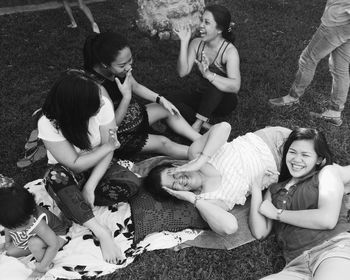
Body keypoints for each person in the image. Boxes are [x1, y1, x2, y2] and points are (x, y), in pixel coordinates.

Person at [37, 69, 141, 263]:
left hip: (99, 166)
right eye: (96, 100)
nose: (103, 101)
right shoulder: (48, 123)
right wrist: (108, 146)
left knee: (131, 183)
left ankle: (74, 204)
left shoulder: (103, 105)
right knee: (55, 178)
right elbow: (74, 164)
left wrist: (91, 186)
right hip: (67, 171)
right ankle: (100, 231)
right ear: (79, 108)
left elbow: (109, 150)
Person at [144, 122, 291, 235]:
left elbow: (224, 127)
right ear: (175, 193)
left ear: (176, 165)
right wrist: (192, 199)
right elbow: (230, 227)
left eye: (172, 173)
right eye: (174, 185)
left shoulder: (196, 154)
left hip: (273, 140)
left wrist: (200, 161)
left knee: (311, 148)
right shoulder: (209, 200)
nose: (179, 179)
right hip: (284, 170)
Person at [249, 127, 350, 279]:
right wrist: (256, 188)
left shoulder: (327, 174)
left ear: (319, 159)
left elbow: (326, 220)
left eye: (305, 155)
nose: (296, 159)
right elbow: (260, 232)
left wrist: (277, 214)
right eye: (292, 152)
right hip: (296, 266)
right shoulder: (275, 189)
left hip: (333, 249)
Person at [83, 31, 201, 159]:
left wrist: (160, 99)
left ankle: (202, 140)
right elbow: (112, 125)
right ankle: (205, 156)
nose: (129, 67)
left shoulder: (117, 68)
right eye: (123, 65)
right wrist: (126, 98)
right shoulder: (95, 88)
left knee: (167, 109)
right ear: (104, 65)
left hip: (133, 115)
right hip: (118, 135)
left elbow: (135, 85)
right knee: (163, 142)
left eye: (130, 60)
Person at [269, 1, 350, 126]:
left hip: (338, 20)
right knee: (340, 68)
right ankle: (334, 112)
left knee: (308, 59)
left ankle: (293, 97)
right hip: (346, 22)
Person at [169, 4, 241, 132]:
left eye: (206, 22)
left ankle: (197, 124)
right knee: (166, 99)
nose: (201, 25)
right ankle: (207, 127)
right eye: (201, 20)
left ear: (219, 29)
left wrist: (208, 74)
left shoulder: (229, 51)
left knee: (216, 83)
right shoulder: (197, 43)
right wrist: (184, 43)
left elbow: (235, 86)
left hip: (224, 102)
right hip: (202, 96)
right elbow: (182, 72)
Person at [0, 186, 69, 279]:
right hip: (35, 234)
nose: (13, 231)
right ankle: (32, 246)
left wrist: (40, 269)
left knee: (34, 243)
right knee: (10, 252)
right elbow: (7, 228)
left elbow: (54, 245)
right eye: (12, 228)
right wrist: (7, 243)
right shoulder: (16, 217)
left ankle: (46, 265)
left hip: (56, 236)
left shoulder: (38, 224)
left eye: (16, 228)